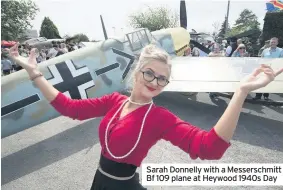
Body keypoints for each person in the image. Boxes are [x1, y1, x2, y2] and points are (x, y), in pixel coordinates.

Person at [8, 43, 283, 190]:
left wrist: (241, 92)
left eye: (162, 79)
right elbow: (70, 108)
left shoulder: (159, 118)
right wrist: (35, 73)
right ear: (138, 71)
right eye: (149, 73)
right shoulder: (114, 101)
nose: (154, 82)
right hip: (99, 181)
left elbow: (209, 148)